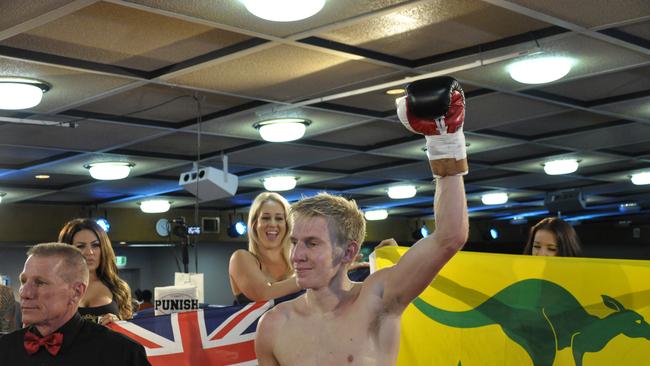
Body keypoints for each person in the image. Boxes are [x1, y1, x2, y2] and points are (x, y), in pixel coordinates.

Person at [255, 76, 469, 365]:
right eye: (294, 242)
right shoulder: (273, 325)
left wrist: (445, 143)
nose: (297, 255)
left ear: (349, 251)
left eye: (312, 243)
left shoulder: (377, 300)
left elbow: (450, 237)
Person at [0, 243, 150, 365]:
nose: (24, 293)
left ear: (76, 291)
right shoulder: (5, 349)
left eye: (40, 283)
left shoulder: (120, 353)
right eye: (24, 281)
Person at [229, 192, 301, 305]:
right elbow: (263, 294)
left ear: (287, 225)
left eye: (279, 218)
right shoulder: (241, 258)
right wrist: (308, 279)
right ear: (254, 224)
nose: (272, 224)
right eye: (266, 218)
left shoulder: (298, 260)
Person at [58, 218, 132, 324]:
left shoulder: (118, 287)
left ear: (103, 248)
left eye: (95, 245)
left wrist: (120, 324)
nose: (90, 252)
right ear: (67, 251)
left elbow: (130, 334)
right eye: (80, 246)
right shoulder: (55, 289)